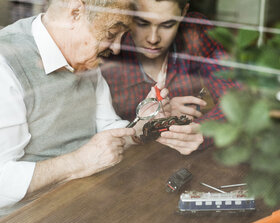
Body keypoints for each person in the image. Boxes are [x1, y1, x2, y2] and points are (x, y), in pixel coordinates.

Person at [0, 0, 202, 210]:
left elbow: (106, 127)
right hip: (28, 221)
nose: (115, 49)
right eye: (111, 34)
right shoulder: (5, 65)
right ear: (75, 13)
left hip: (82, 198)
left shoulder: (81, 52)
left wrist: (145, 126)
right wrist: (78, 162)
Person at [101, 0, 241, 149]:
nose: (153, 39)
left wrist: (203, 130)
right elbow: (95, 134)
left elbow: (240, 96)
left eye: (167, 25)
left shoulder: (194, 30)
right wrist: (155, 118)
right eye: (142, 23)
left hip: (182, 162)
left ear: (184, 13)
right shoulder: (108, 46)